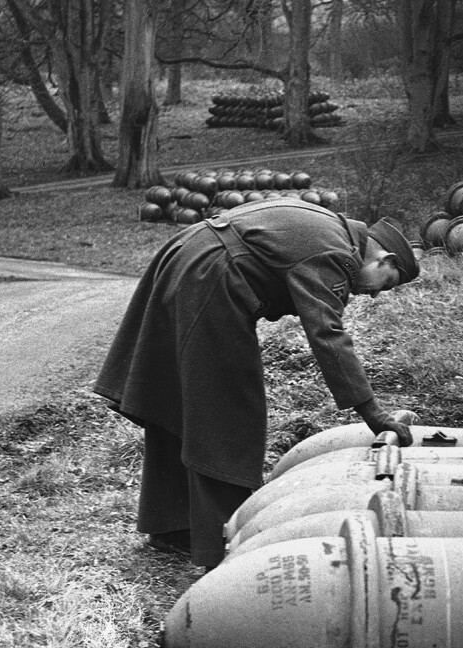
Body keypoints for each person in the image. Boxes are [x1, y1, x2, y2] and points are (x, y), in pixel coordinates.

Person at [95, 196, 420, 566]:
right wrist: (372, 412)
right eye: (386, 283)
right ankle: (222, 541)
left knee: (183, 399)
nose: (375, 293)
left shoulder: (330, 226)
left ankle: (171, 525)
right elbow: (327, 335)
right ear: (384, 259)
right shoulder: (336, 254)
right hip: (210, 278)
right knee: (229, 413)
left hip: (188, 256)